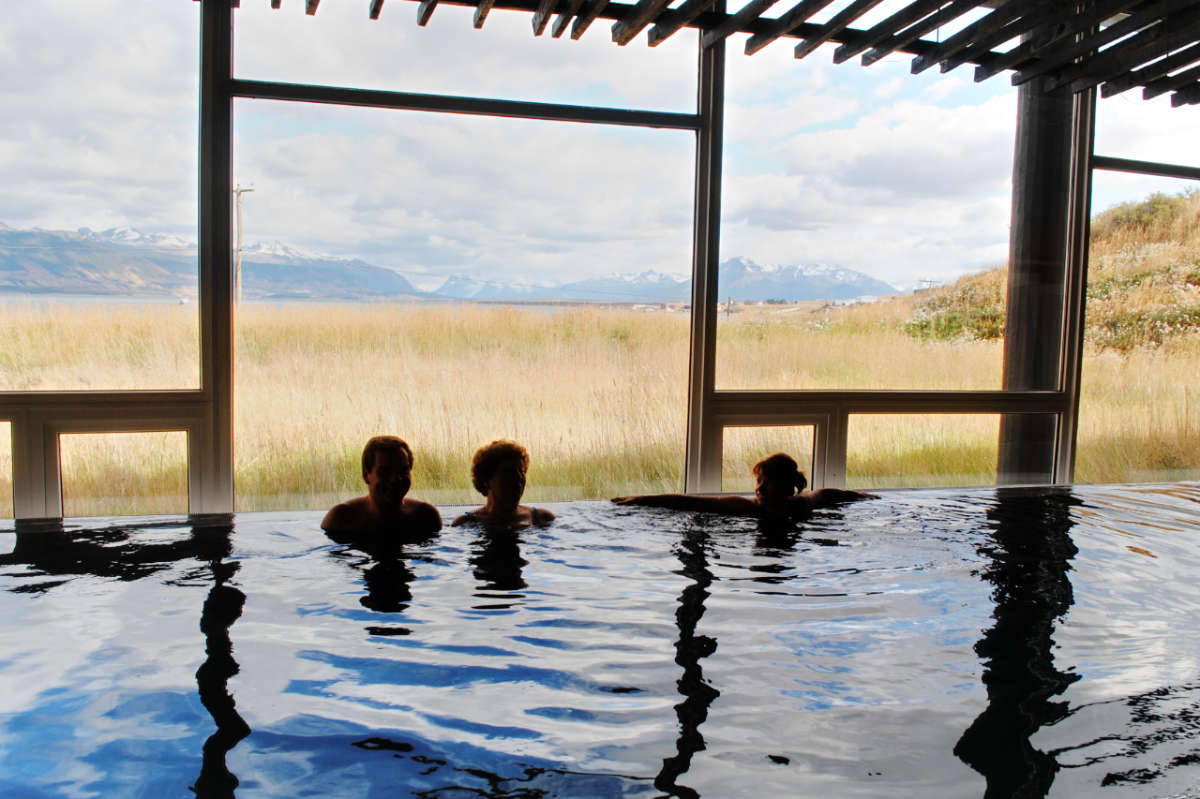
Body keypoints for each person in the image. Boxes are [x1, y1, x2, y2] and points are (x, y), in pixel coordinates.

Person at [612, 452, 873, 521]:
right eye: (758, 482)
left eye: (766, 483)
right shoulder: (746, 508)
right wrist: (640, 499)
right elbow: (692, 502)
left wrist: (869, 497)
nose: (758, 489)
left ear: (785, 486)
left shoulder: (806, 503)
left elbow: (843, 494)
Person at [322, 435, 442, 539]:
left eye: (403, 470)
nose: (395, 478)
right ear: (366, 475)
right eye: (385, 471)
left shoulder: (425, 517)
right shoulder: (342, 519)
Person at [452, 440, 555, 528]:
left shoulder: (543, 518)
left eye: (522, 472)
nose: (519, 478)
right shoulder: (465, 524)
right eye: (509, 473)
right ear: (487, 480)